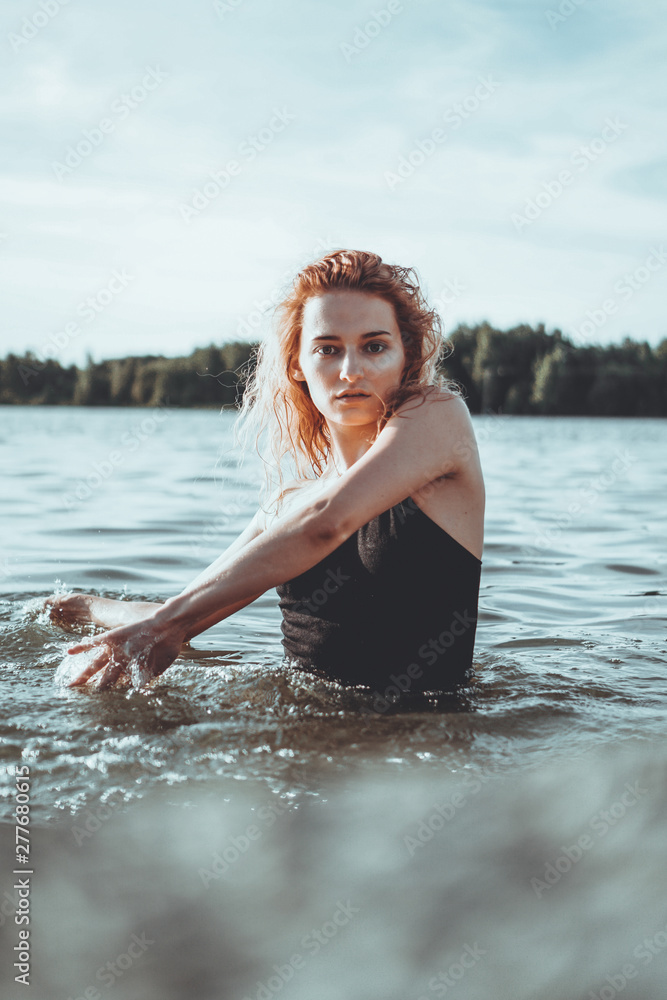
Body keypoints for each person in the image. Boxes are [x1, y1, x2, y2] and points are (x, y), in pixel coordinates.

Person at [46, 249, 485, 704]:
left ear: (406, 355)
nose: (351, 370)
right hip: (301, 749)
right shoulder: (289, 503)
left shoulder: (440, 417)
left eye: (374, 346)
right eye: (327, 349)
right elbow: (188, 614)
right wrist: (85, 608)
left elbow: (327, 522)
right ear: (296, 363)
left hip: (424, 746)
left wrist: (166, 624)